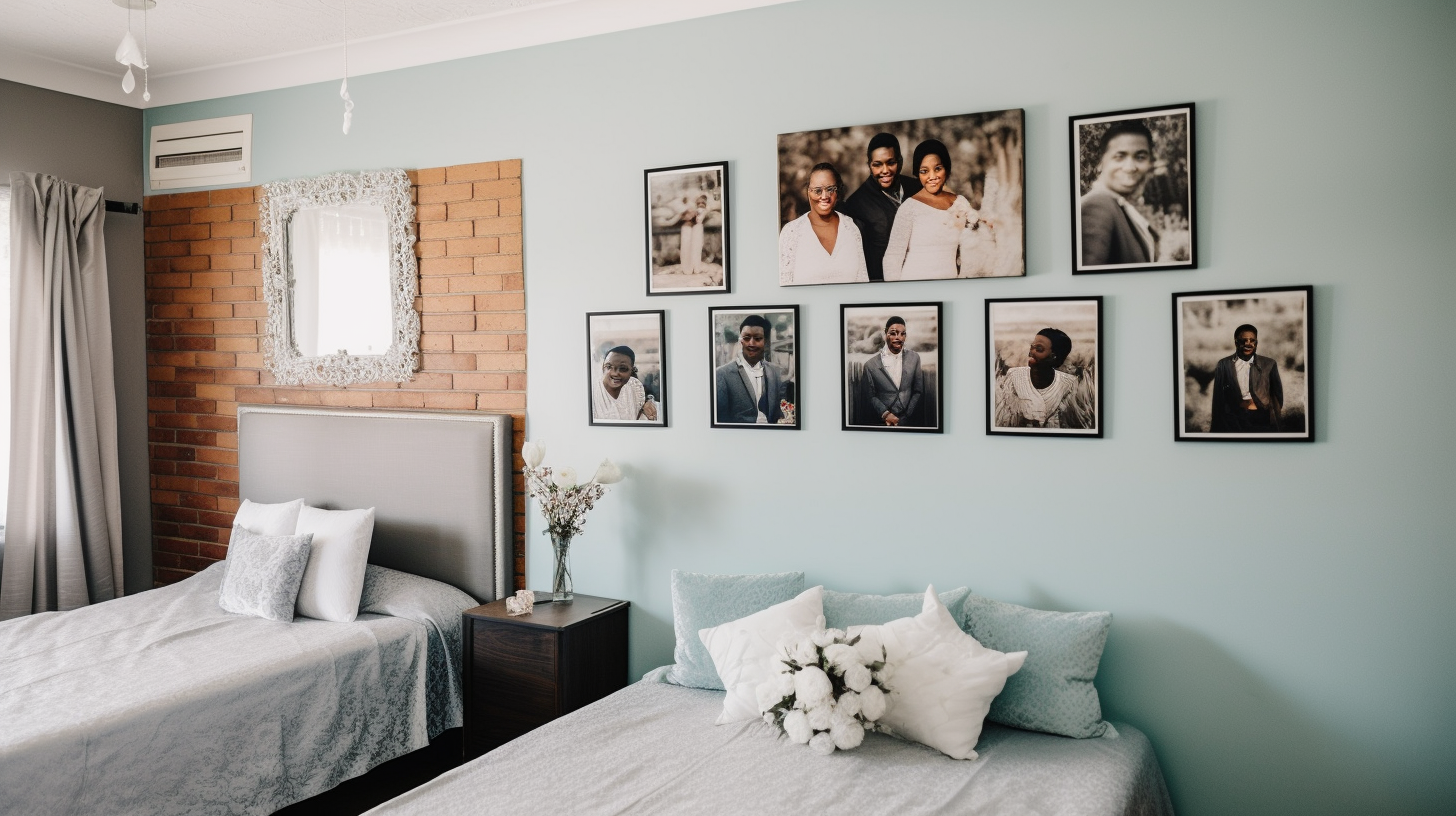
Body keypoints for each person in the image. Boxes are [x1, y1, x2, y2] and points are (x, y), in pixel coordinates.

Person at [883, 139, 976, 280]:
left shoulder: (960, 203)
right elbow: (892, 258)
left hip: (951, 285)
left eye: (937, 168)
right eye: (924, 171)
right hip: (914, 286)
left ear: (946, 168)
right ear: (917, 173)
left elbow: (971, 246)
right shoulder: (909, 207)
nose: (932, 177)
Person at [839, 133, 922, 282]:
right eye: (877, 164)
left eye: (891, 162)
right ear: (869, 165)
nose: (885, 170)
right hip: (883, 284)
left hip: (921, 275)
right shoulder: (855, 204)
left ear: (900, 161)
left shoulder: (917, 188)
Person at [1079, 120, 1157, 266]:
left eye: (1140, 157)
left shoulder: (1119, 206)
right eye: (1119, 157)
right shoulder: (1097, 206)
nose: (1130, 167)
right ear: (1102, 161)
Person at [778, 162, 869, 285]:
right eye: (817, 191)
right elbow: (784, 285)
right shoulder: (791, 232)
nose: (825, 196)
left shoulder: (851, 228)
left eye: (830, 189)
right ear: (808, 192)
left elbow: (862, 281)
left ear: (837, 191)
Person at [996, 328, 1077, 428]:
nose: (1031, 352)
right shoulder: (1014, 376)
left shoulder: (1068, 383)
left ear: (1054, 356)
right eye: (1032, 347)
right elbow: (1004, 417)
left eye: (1039, 349)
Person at [1210, 324, 1283, 432]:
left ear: (1256, 343)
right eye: (1243, 340)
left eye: (1252, 340)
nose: (1247, 344)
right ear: (1236, 342)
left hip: (1262, 419)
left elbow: (1277, 397)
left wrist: (1275, 423)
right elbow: (1218, 400)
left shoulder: (1269, 364)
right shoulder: (1224, 364)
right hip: (1233, 421)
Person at [714, 315, 785, 424]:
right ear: (741, 340)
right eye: (746, 338)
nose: (751, 343)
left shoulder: (774, 371)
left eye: (757, 338)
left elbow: (778, 412)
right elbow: (721, 421)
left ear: (765, 342)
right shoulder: (722, 374)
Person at [861, 316, 924, 427]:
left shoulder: (914, 358)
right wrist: (885, 414)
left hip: (908, 422)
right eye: (893, 333)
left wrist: (908, 414)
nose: (898, 337)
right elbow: (869, 396)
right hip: (881, 423)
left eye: (902, 334)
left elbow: (918, 390)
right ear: (886, 334)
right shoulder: (870, 365)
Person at [591, 345, 659, 422]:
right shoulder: (592, 391)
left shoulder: (634, 386)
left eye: (623, 368)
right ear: (603, 367)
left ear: (632, 370)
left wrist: (648, 402)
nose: (614, 373)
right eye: (609, 367)